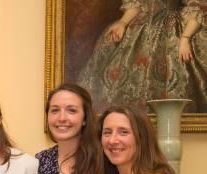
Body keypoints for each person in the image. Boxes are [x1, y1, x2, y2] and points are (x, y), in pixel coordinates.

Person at [78, 0, 206, 113]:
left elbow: (196, 7)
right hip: (140, 30)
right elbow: (138, 4)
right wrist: (123, 22)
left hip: (172, 34)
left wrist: (185, 38)